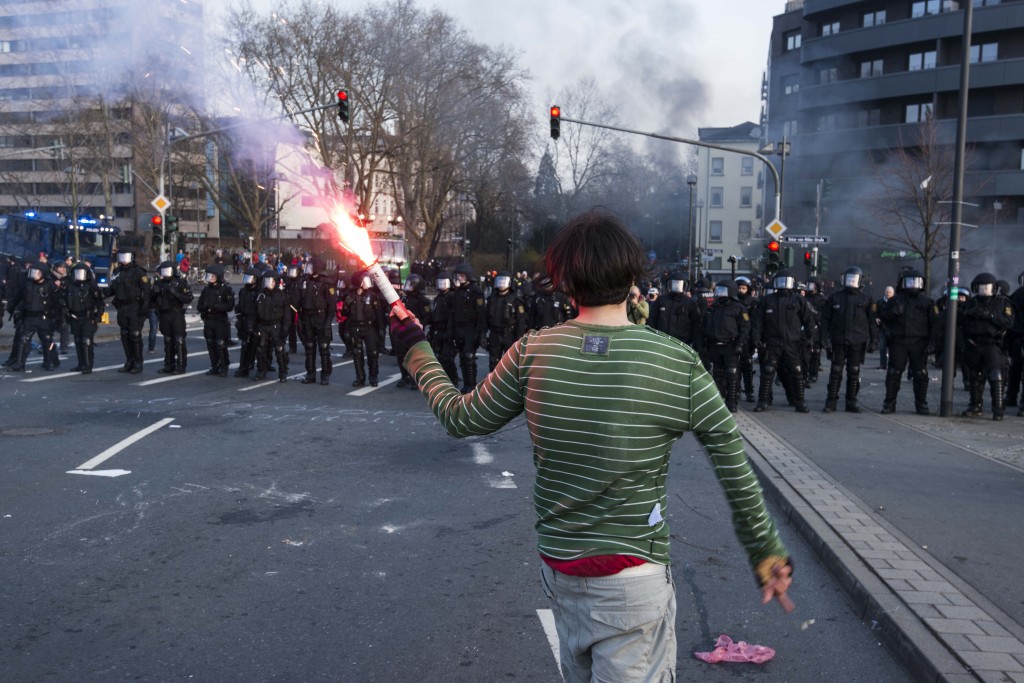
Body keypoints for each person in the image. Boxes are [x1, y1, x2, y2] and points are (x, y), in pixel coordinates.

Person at [390, 209, 793, 682]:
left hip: (561, 570)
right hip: (633, 578)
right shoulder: (675, 362)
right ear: (631, 278)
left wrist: (416, 348)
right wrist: (764, 549)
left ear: (564, 282)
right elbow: (733, 464)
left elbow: (460, 417)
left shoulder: (533, 351)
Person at [752, 269, 816, 413]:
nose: (783, 285)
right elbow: (758, 322)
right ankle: (763, 401)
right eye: (780, 282)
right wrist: (756, 339)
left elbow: (808, 320)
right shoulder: (767, 300)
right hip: (772, 343)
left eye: (786, 282)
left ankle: (800, 401)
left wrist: (809, 336)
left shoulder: (798, 299)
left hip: (792, 343)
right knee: (768, 371)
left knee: (797, 371)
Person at [879, 270, 938, 415]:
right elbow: (883, 318)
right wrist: (893, 312)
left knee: (921, 374)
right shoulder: (895, 300)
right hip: (899, 341)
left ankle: (921, 403)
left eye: (916, 282)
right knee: (894, 373)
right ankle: (889, 403)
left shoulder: (927, 302)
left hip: (919, 342)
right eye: (909, 282)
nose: (913, 285)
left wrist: (933, 342)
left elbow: (935, 324)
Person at [819, 266, 877, 413]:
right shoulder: (835, 297)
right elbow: (825, 319)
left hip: (857, 341)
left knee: (854, 371)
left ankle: (851, 401)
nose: (851, 282)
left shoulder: (866, 299)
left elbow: (872, 321)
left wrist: (874, 340)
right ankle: (831, 401)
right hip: (838, 340)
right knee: (836, 371)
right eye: (849, 279)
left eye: (854, 279)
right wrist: (823, 338)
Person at [959, 272, 1014, 420]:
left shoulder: (1002, 302)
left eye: (987, 288)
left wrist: (990, 316)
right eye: (981, 288)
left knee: (996, 376)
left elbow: (1008, 322)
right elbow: (960, 320)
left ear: (994, 288)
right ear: (975, 288)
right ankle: (975, 405)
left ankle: (998, 408)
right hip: (974, 343)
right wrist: (969, 313)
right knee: (975, 376)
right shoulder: (970, 303)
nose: (984, 290)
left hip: (993, 344)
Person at [703, 279, 751, 412]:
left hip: (731, 345)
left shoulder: (739, 308)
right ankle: (720, 399)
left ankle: (732, 401)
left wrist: (740, 344)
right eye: (719, 291)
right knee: (718, 374)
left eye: (723, 291)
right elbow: (705, 325)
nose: (721, 294)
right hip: (715, 345)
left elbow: (745, 327)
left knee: (732, 374)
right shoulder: (713, 307)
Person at [6, 262, 61, 372]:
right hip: (29, 317)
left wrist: (58, 318)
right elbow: (18, 298)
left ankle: (48, 362)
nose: (34, 274)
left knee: (47, 341)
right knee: (23, 340)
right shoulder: (28, 284)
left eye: (37, 272)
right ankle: (20, 363)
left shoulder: (50, 286)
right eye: (33, 272)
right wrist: (12, 309)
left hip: (44, 318)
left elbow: (57, 303)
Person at [108, 250, 152, 374]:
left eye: (126, 256)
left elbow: (146, 290)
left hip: (135, 306)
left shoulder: (138, 272)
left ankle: (138, 362)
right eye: (121, 256)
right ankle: (129, 361)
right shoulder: (118, 271)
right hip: (122, 306)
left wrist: (145, 306)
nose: (123, 259)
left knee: (135, 334)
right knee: (125, 334)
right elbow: (113, 287)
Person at [342, 271, 386, 387]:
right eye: (364, 280)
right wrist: (347, 304)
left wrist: (381, 327)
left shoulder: (372, 296)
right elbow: (344, 313)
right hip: (355, 327)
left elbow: (379, 313)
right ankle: (360, 377)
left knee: (373, 352)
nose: (367, 283)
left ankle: (373, 377)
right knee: (357, 353)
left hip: (369, 327)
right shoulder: (350, 295)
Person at [449, 262, 487, 393]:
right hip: (459, 328)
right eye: (458, 275)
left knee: (469, 356)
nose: (459, 278)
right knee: (462, 356)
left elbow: (481, 314)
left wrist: (480, 333)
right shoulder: (457, 292)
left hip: (471, 328)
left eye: (462, 275)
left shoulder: (477, 292)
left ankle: (471, 384)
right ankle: (466, 384)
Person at [151, 260, 194, 374]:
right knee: (168, 340)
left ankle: (181, 365)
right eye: (163, 271)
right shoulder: (159, 283)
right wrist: (155, 295)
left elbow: (188, 298)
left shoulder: (180, 283)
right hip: (164, 314)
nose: (165, 274)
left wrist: (176, 293)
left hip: (176, 313)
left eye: (167, 271)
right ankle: (169, 364)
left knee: (179, 340)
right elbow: (152, 300)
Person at [298, 257, 336, 385]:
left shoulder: (327, 283)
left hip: (321, 317)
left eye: (311, 267)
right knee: (309, 347)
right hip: (307, 317)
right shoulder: (305, 281)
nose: (308, 269)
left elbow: (332, 306)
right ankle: (310, 374)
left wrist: (327, 323)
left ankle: (325, 374)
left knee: (323, 348)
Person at [65, 262, 105, 374]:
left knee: (86, 340)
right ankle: (81, 363)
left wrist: (97, 316)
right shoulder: (71, 286)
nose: (78, 275)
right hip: (74, 316)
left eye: (81, 273)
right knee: (78, 340)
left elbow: (100, 303)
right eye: (76, 273)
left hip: (88, 317)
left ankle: (88, 365)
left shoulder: (91, 286)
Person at [483, 271, 527, 372]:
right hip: (494, 334)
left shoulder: (516, 300)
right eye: (499, 281)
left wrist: (519, 340)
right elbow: (485, 319)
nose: (501, 284)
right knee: (494, 362)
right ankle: (494, 386)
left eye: (504, 281)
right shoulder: (492, 299)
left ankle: (509, 387)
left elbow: (521, 322)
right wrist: (483, 334)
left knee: (510, 364)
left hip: (509, 335)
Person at [197, 264, 235, 377]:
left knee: (221, 344)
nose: (209, 278)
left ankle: (224, 366)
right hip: (209, 319)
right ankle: (214, 365)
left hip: (220, 320)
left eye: (212, 276)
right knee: (210, 343)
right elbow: (199, 305)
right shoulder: (206, 290)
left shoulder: (225, 289)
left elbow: (229, 306)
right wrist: (205, 309)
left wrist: (217, 307)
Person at [252, 270, 291, 382]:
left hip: (276, 324)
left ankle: (283, 372)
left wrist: (285, 328)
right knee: (260, 349)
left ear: (276, 282)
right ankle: (261, 370)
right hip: (262, 325)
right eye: (267, 281)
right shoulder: (260, 295)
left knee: (279, 349)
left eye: (271, 281)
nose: (269, 283)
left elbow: (287, 314)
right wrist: (254, 326)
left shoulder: (282, 296)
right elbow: (254, 313)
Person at [876, 285, 895, 370]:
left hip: (892, 328)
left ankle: (891, 365)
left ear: (893, 293)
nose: (888, 294)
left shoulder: (895, 303)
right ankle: (882, 364)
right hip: (882, 327)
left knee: (892, 347)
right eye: (887, 292)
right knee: (882, 347)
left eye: (890, 292)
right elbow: (875, 313)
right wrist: (876, 318)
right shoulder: (879, 302)